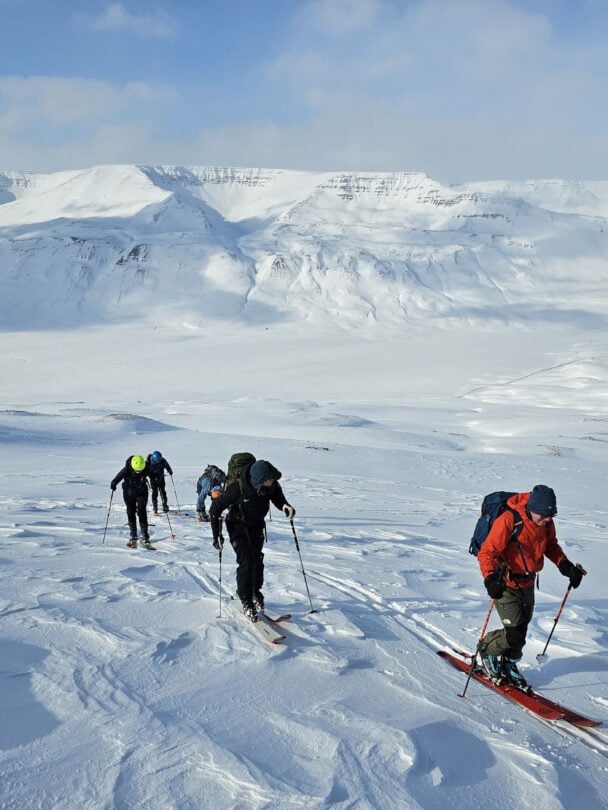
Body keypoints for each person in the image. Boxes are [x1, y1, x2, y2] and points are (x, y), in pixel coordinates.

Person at [478, 484, 586, 687]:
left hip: (528, 581)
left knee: (522, 627)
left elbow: (551, 546)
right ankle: (488, 652)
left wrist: (565, 566)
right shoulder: (510, 519)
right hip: (506, 582)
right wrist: (490, 578)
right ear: (532, 508)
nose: (547, 519)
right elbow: (487, 552)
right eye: (544, 515)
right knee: (514, 631)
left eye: (551, 515)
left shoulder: (546, 523)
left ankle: (509, 663)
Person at [209, 459, 295, 621]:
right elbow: (215, 509)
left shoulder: (270, 485)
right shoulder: (237, 489)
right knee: (246, 562)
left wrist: (285, 506)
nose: (272, 482)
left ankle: (255, 592)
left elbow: (277, 496)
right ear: (259, 480)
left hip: (256, 525)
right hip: (237, 526)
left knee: (257, 560)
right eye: (269, 480)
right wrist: (217, 535)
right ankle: (246, 600)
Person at [111, 454, 152, 548]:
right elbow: (118, 477)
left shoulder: (145, 467)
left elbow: (152, 474)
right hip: (129, 493)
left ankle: (144, 535)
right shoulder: (127, 469)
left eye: (140, 470)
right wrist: (114, 483)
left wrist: (157, 478)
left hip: (142, 492)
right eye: (136, 470)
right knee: (130, 512)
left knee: (142, 512)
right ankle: (133, 535)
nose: (138, 472)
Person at [146, 450, 173, 515]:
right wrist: (153, 477)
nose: (159, 461)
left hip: (161, 478)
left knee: (163, 492)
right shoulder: (148, 463)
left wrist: (169, 471)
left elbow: (167, 465)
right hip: (153, 480)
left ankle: (165, 506)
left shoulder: (162, 460)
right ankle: (155, 508)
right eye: (158, 461)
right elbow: (147, 472)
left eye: (160, 460)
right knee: (155, 493)